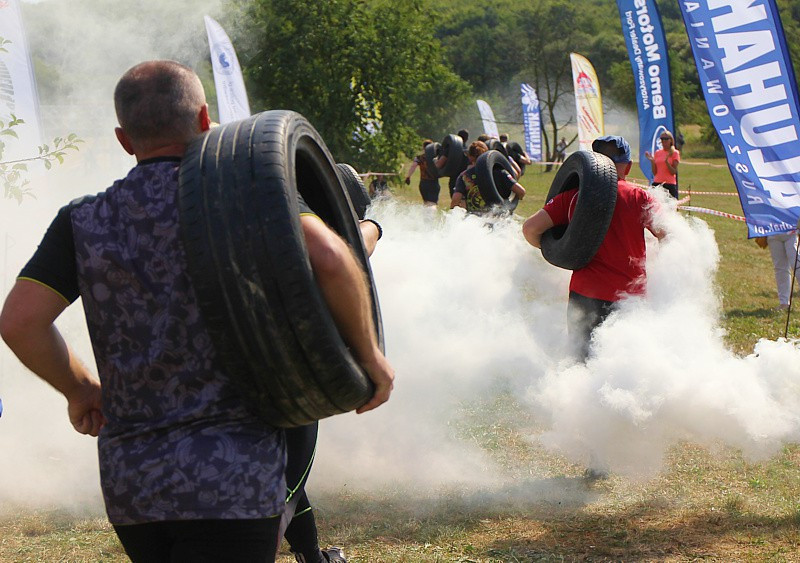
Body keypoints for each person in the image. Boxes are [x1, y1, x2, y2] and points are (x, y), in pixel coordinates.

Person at [0, 60, 394, 563]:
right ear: (206, 121)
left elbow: (19, 321)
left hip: (134, 486)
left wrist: (80, 389)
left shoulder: (79, 220)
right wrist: (372, 359)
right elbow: (332, 260)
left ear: (124, 139)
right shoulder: (245, 198)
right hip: (234, 475)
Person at [522, 135, 665, 361]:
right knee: (627, 363)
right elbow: (669, 235)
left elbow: (530, 229)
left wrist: (558, 252)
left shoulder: (572, 196)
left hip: (585, 295)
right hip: (629, 296)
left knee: (582, 361)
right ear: (627, 167)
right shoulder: (639, 196)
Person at [450, 141, 526, 213]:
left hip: (474, 221)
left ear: (470, 157)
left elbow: (455, 200)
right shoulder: (499, 172)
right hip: (499, 219)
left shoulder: (464, 176)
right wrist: (512, 203)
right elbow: (521, 191)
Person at [756, 231, 800, 310]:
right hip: (773, 233)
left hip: (792, 232)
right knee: (780, 268)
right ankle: (784, 303)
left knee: (797, 264)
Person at [645, 130, 680, 199]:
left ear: (670, 140)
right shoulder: (657, 152)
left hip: (669, 184)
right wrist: (652, 162)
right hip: (657, 183)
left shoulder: (675, 153)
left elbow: (673, 172)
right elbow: (655, 173)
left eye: (666, 139)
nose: (664, 141)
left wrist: (667, 162)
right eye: (662, 139)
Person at [434, 128, 469, 198]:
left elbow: (439, 164)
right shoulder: (468, 150)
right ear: (467, 139)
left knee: (456, 204)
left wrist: (435, 160)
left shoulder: (450, 149)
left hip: (455, 180)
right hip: (467, 180)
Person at [405, 139, 440, 207]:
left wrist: (408, 176)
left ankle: (426, 216)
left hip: (424, 183)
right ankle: (432, 216)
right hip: (434, 182)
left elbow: (413, 166)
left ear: (424, 148)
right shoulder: (437, 158)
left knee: (426, 203)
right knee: (433, 203)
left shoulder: (419, 157)